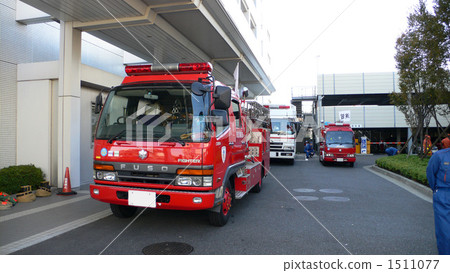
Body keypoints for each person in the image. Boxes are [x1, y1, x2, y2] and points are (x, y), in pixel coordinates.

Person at [426, 139, 450, 255]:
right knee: (444, 231)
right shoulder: (440, 156)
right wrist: (436, 189)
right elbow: (430, 172)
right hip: (444, 194)